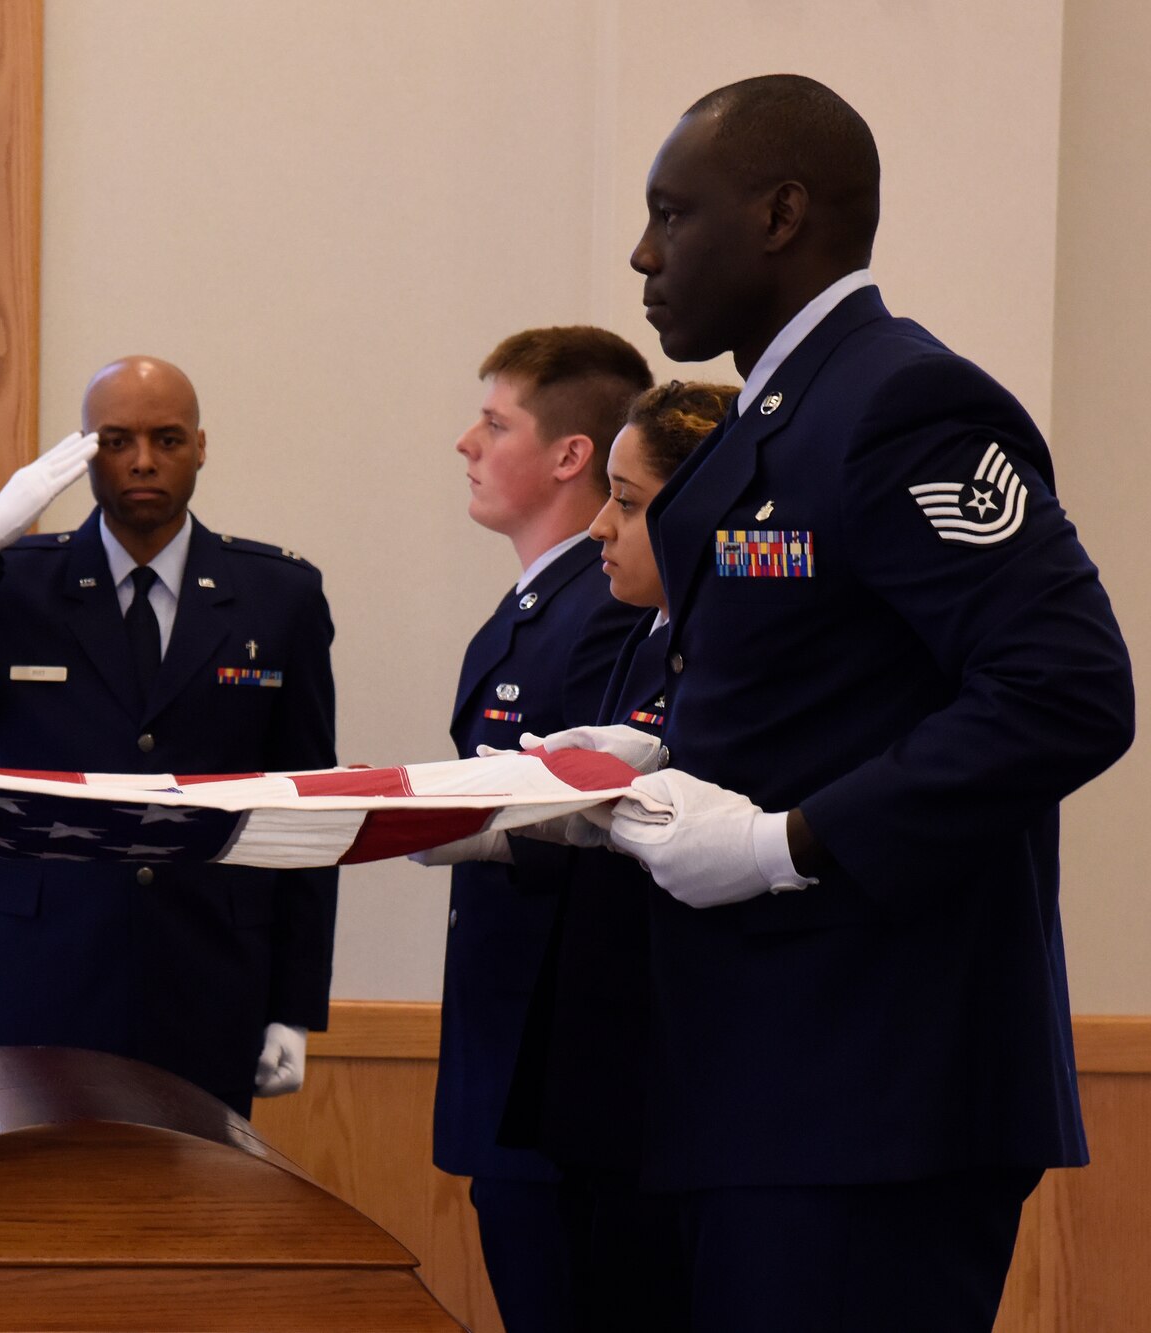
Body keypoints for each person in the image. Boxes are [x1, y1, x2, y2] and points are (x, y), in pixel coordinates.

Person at [551, 74, 1133, 1332]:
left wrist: (782, 845)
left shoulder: (900, 406)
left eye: (671, 214)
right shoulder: (780, 413)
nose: (642, 254)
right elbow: (825, 679)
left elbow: (1066, 690)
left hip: (878, 1082)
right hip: (765, 1073)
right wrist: (653, 744)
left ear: (778, 214)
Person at [0, 355, 337, 1115]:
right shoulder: (17, 582)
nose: (141, 460)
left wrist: (294, 1002)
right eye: (116, 439)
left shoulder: (277, 596)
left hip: (206, 979)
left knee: (185, 1224)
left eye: (166, 439)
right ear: (84, 450)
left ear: (201, 447)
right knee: (23, 1224)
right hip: (31, 976)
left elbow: (308, 808)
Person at [407, 327, 649, 1333]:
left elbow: (584, 813)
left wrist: (423, 813)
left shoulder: (602, 604)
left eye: (495, 421)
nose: (466, 441)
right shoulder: (536, 604)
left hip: (563, 1074)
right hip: (511, 1057)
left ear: (568, 455)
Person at [519, 379, 736, 1332]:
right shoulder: (648, 629)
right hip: (603, 1078)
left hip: (676, 1087)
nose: (600, 526)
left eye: (631, 502)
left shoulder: (732, 646)